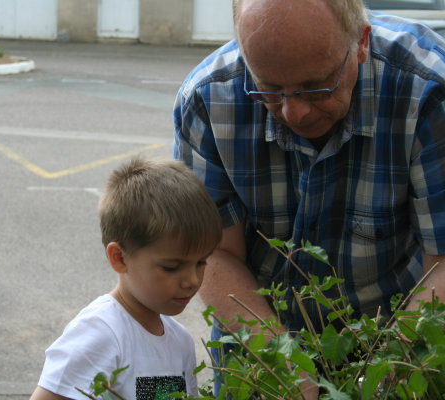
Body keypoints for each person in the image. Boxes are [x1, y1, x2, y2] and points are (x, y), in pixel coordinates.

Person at [174, 0, 445, 397]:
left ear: (361, 44)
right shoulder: (207, 99)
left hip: (395, 334)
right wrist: (283, 362)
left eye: (316, 86)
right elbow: (214, 254)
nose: (295, 112)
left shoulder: (428, 92)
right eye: (268, 88)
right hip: (258, 342)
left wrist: (386, 369)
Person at [30, 158, 223, 400]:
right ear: (119, 258)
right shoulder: (100, 333)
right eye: (172, 267)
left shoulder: (180, 341)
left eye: (201, 262)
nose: (192, 280)